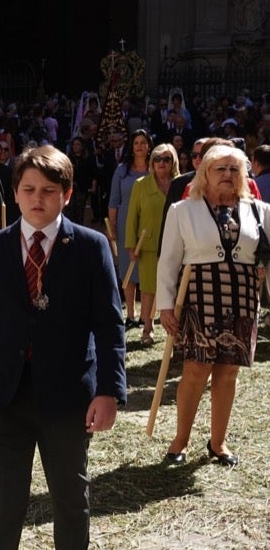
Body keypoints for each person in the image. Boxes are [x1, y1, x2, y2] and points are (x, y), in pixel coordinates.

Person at [0, 145, 126, 550]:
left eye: (49, 191)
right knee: (4, 504)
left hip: (67, 396)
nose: (38, 199)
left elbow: (109, 324)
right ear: (15, 193)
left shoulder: (91, 246)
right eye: (29, 189)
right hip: (6, 397)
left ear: (66, 194)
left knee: (69, 495)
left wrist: (110, 392)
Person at [156, 145, 270, 467]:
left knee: (228, 371)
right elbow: (168, 261)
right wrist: (165, 305)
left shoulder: (260, 211)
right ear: (205, 173)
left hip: (243, 297)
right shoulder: (182, 210)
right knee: (195, 370)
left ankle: (218, 442)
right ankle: (179, 442)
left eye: (235, 169)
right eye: (220, 168)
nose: (228, 175)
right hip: (198, 297)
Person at [124, 143, 179, 345]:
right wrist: (131, 244)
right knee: (148, 290)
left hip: (176, 246)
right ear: (151, 162)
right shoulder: (141, 184)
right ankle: (147, 329)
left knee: (176, 288)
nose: (162, 163)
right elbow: (132, 217)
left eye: (166, 158)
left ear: (173, 161)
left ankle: (178, 331)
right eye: (157, 159)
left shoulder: (180, 183)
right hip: (148, 245)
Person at [108, 129, 152, 329]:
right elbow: (113, 201)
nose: (140, 146)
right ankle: (131, 315)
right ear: (131, 146)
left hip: (148, 222)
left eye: (143, 142)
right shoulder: (121, 170)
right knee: (128, 268)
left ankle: (145, 315)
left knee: (146, 268)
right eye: (136, 143)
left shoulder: (154, 168)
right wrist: (112, 227)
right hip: (125, 221)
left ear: (149, 146)